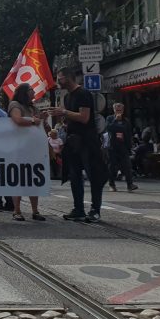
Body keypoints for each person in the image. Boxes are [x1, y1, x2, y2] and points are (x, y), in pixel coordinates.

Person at [51, 66, 106, 223]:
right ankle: (78, 209)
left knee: (93, 175)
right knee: (74, 176)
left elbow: (84, 117)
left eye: (59, 78)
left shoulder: (83, 93)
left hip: (87, 141)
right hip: (73, 141)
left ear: (68, 77)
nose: (58, 81)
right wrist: (65, 122)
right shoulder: (68, 97)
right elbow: (73, 118)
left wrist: (64, 113)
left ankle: (95, 209)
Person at [7, 83, 45, 221]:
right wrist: (33, 122)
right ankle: (17, 210)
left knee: (33, 179)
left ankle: (35, 210)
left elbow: (39, 124)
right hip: (18, 148)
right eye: (31, 90)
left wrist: (42, 120)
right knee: (18, 179)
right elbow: (17, 120)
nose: (34, 92)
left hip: (32, 148)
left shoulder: (33, 107)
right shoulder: (15, 105)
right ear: (24, 92)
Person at [106, 103, 136, 192]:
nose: (119, 112)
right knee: (112, 166)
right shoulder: (110, 118)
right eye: (117, 110)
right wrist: (115, 121)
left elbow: (127, 133)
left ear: (123, 111)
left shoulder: (126, 121)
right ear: (114, 110)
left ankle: (130, 184)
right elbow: (109, 128)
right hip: (112, 146)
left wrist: (129, 147)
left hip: (123, 146)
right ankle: (111, 184)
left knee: (127, 166)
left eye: (120, 110)